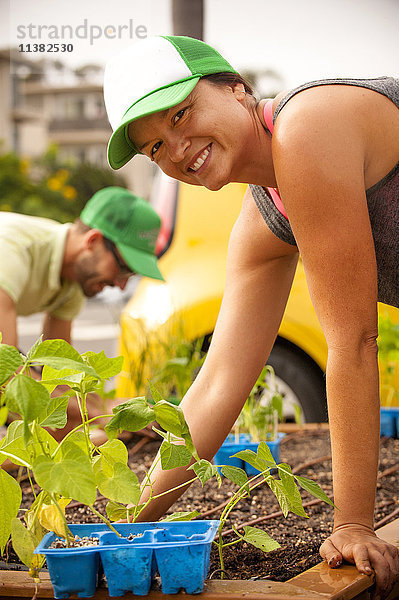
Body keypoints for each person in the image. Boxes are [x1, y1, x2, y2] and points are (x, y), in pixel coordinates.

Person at [103, 36, 399, 597]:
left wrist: (355, 526)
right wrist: (125, 527)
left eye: (181, 113)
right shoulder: (266, 215)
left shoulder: (310, 125)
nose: (175, 148)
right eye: (155, 147)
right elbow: (216, 386)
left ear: (237, 89)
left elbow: (353, 339)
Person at [0, 186, 163, 439]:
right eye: (122, 268)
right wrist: (97, 413)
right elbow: (5, 371)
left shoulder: (74, 279)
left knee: (60, 416)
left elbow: (59, 375)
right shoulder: (11, 250)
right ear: (93, 241)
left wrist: (108, 411)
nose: (121, 285)